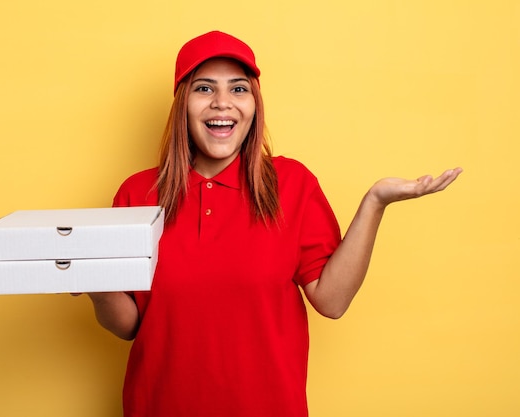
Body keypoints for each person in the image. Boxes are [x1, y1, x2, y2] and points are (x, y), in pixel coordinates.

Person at [82, 31, 462, 417]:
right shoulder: (137, 193)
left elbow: (332, 301)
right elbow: (128, 324)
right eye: (204, 88)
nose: (222, 103)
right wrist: (90, 280)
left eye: (239, 89)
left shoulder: (292, 184)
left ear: (254, 104)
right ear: (182, 104)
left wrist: (375, 203)